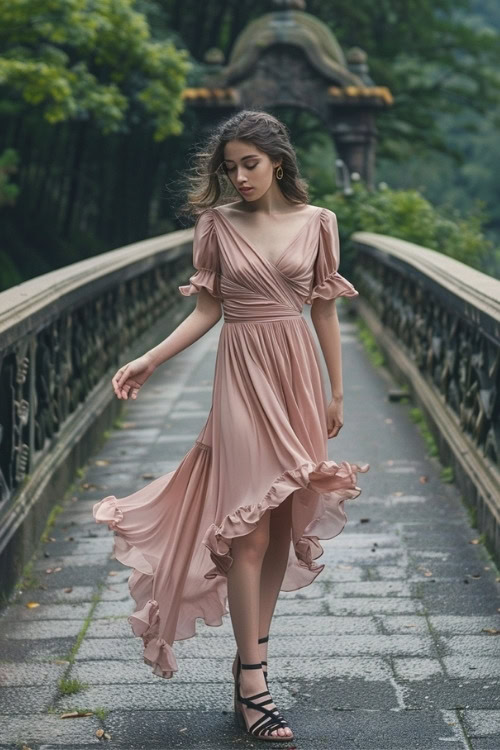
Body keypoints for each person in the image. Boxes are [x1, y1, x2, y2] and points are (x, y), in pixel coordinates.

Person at [93, 109, 370, 742]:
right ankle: (254, 683)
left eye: (250, 164)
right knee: (246, 530)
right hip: (242, 378)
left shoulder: (318, 223)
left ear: (278, 161)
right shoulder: (216, 226)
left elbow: (324, 311)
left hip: (296, 375)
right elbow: (207, 312)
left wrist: (337, 391)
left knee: (277, 529)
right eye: (230, 167)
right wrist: (149, 359)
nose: (240, 177)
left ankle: (254, 657)